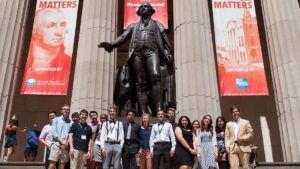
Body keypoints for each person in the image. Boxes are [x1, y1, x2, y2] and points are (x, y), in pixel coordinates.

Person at [99, 3, 175, 116]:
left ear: (151, 11)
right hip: (137, 54)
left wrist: (167, 52)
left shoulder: (158, 25)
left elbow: (164, 41)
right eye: (142, 7)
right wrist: (111, 44)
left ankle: (159, 109)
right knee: (140, 83)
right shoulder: (133, 26)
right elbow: (123, 37)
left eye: (146, 7)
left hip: (152, 52)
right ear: (139, 12)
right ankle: (144, 112)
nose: (144, 8)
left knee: (155, 77)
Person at [21, 8, 72, 94]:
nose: (59, 32)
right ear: (36, 30)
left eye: (62, 25)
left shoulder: (70, 63)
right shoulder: (20, 60)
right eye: (51, 25)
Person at [100, 105, 124, 169]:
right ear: (109, 113)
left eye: (114, 111)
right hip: (107, 144)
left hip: (117, 144)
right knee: (105, 165)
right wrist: (102, 147)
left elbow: (122, 136)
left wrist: (120, 146)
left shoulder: (120, 123)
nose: (112, 112)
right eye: (111, 111)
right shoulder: (105, 123)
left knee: (116, 166)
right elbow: (102, 136)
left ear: (116, 113)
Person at [48, 104, 72, 169]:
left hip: (65, 147)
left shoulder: (71, 122)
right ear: (61, 111)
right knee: (52, 163)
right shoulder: (56, 119)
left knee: (62, 165)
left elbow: (71, 135)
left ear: (69, 111)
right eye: (64, 109)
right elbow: (54, 132)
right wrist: (62, 142)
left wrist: (66, 142)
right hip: (56, 145)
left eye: (67, 109)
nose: (66, 110)